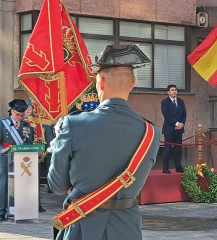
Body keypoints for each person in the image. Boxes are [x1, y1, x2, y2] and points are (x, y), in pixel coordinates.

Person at [47, 45, 160, 240]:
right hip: (127, 230)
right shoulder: (151, 132)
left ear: (99, 83)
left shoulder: (74, 124)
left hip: (82, 229)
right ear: (132, 83)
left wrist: (59, 145)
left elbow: (57, 185)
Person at [0, 99, 34, 221]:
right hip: (6, 158)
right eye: (17, 114)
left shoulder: (27, 126)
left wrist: (26, 149)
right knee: (5, 185)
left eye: (22, 115)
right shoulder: (3, 124)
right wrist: (2, 150)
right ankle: (1, 211)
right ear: (12, 112)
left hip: (22, 160)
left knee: (21, 185)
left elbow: (30, 143)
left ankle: (19, 211)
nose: (19, 117)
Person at [161, 84, 186, 174]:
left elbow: (184, 114)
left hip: (179, 129)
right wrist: (176, 123)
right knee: (167, 148)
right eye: (172, 90)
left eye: (175, 90)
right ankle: (165, 168)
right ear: (168, 92)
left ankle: (178, 167)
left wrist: (182, 124)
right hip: (169, 129)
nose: (174, 91)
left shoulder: (181, 101)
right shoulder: (164, 102)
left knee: (178, 149)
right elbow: (166, 115)